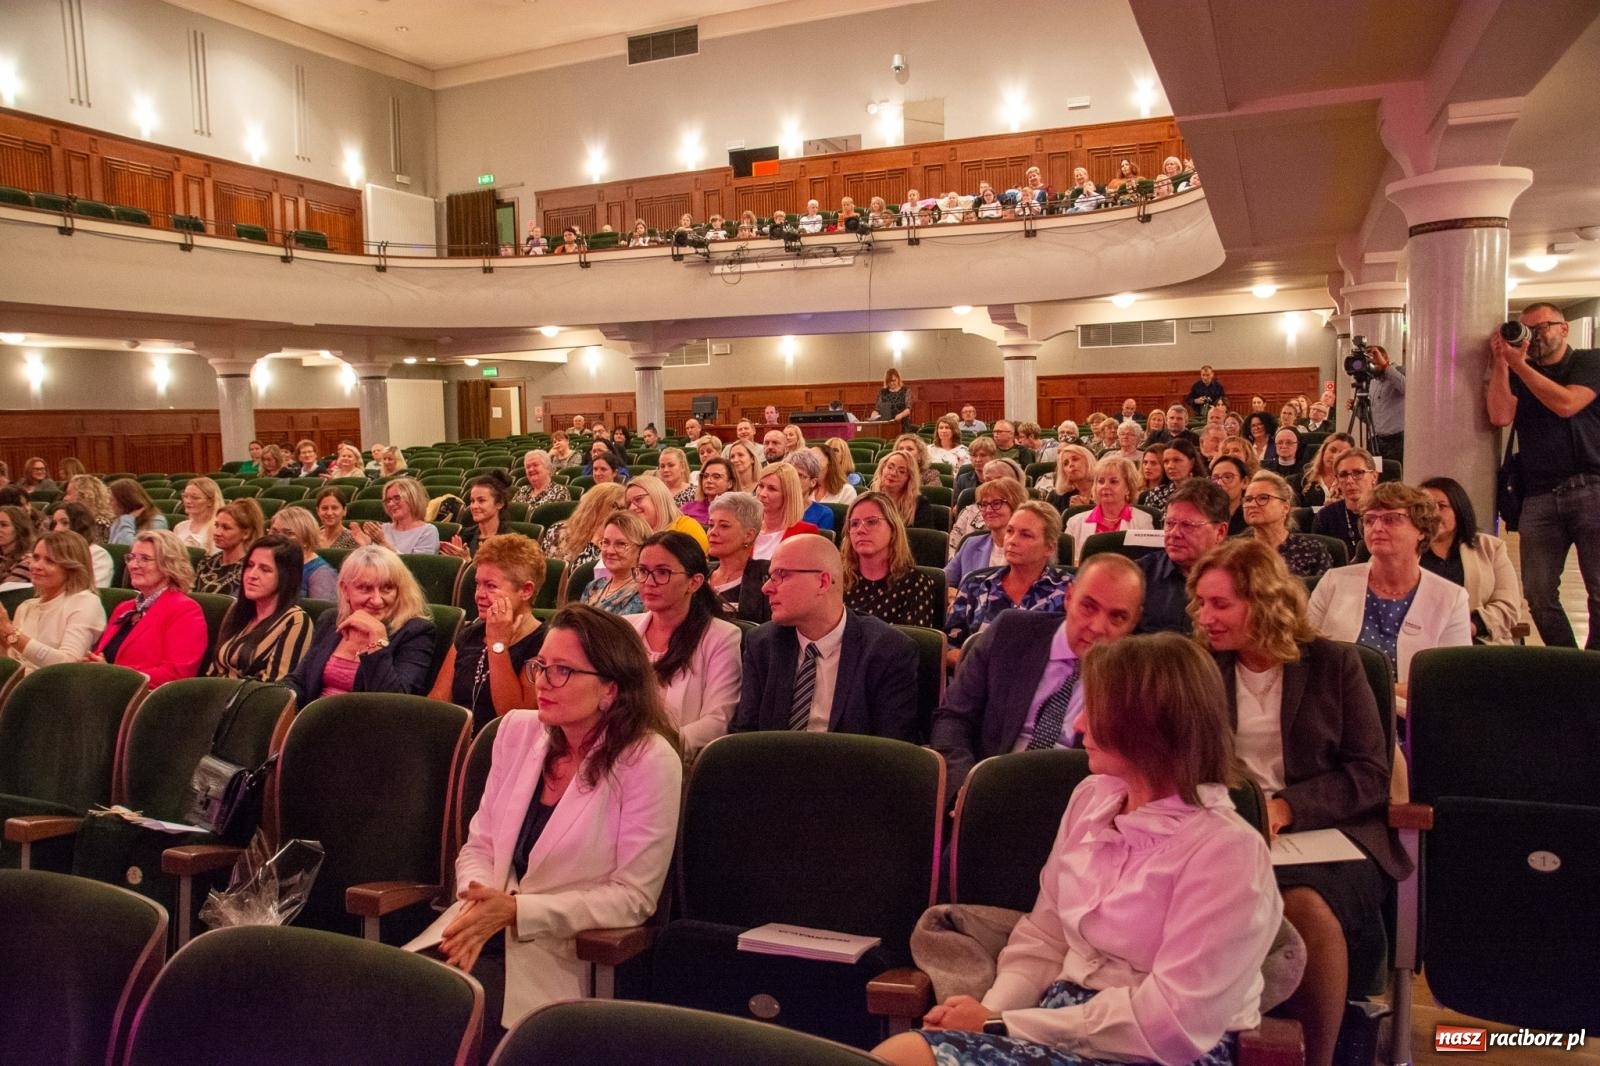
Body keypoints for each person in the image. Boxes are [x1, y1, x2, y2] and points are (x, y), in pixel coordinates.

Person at [879, 631, 1281, 1066]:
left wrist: (1000, 1025)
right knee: (901, 1055)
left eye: (1096, 709)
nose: (1077, 723)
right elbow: (1045, 936)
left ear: (1149, 724)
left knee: (909, 1055)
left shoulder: (1227, 851)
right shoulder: (1092, 798)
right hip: (1057, 1021)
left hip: (1153, 1051)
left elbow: (1170, 1027)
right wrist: (989, 1011)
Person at [414, 605, 682, 1039]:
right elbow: (479, 846)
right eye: (541, 666)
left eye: (562, 671)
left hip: (561, 957)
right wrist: (483, 903)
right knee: (388, 1000)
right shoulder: (517, 731)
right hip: (473, 932)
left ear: (610, 689)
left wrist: (518, 912)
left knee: (443, 1023)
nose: (541, 682)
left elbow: (634, 897)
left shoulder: (648, 760)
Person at [1189, 538, 1408, 1066]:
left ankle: (1319, 1057)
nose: (1205, 617)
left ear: (1263, 602)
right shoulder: (1201, 667)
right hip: (1229, 825)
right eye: (1200, 602)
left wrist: (1286, 808)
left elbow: (1369, 774)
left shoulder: (1337, 665)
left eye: (1220, 604)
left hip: (1329, 833)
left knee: (1304, 905)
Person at [931, 552, 1146, 803]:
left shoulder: (1137, 680)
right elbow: (953, 718)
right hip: (987, 789)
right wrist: (966, 788)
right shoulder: (1010, 633)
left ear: (1134, 621)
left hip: (1074, 808)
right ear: (1068, 596)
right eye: (1088, 606)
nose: (1098, 627)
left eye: (1117, 617)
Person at [1486, 301, 1600, 649]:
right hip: (1539, 494)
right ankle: (1566, 661)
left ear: (1564, 328)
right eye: (1527, 330)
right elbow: (1500, 415)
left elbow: (1567, 404)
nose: (1534, 336)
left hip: (1591, 487)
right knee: (1537, 593)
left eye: (1542, 327)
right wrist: (1502, 365)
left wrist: (1520, 366)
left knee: (1598, 588)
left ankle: (1593, 667)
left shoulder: (1588, 361)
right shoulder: (1521, 370)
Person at [731, 534, 918, 740]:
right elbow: (744, 737)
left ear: (822, 582)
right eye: (770, 577)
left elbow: (890, 752)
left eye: (781, 575)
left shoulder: (888, 650)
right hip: (774, 767)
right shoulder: (762, 644)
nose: (766, 588)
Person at [1307, 482, 1471, 689]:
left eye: (1391, 519)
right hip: (1338, 708)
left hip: (1413, 713)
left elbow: (1453, 677)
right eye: (1369, 520)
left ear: (1421, 529)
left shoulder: (1451, 597)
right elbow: (1306, 655)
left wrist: (1385, 695)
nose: (1377, 528)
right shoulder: (1334, 582)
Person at [624, 530, 741, 754]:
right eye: (643, 571)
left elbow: (718, 721)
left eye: (662, 572)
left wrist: (655, 750)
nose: (649, 582)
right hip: (619, 756)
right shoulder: (624, 629)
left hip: (678, 761)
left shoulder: (721, 637)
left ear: (694, 582)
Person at [283, 545, 436, 703]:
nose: (377, 600)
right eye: (365, 588)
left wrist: (377, 639)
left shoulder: (416, 632)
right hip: (315, 719)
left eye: (387, 588)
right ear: (345, 590)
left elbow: (394, 703)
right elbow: (299, 682)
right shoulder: (331, 620)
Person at [429, 534, 546, 732]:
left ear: (526, 590)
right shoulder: (470, 634)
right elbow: (437, 704)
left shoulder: (545, 642)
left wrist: (497, 644)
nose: (479, 595)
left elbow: (514, 720)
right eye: (477, 584)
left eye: (491, 586)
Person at [946, 502, 1072, 662]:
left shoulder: (1068, 590)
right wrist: (980, 666)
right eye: (1010, 531)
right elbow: (948, 645)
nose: (1012, 540)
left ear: (1049, 548)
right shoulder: (975, 584)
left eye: (1026, 535)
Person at [88, 530, 207, 687]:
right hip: (105, 691)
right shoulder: (124, 607)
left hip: (146, 702)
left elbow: (175, 675)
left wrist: (113, 675)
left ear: (169, 565)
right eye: (131, 557)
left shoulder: (185, 610)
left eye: (144, 559)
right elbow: (101, 656)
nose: (133, 565)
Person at [1416, 477, 1521, 645]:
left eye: (1442, 507)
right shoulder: (1404, 549)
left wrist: (1470, 626)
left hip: (1479, 643)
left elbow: (1508, 605)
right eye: (1425, 507)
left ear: (1459, 510)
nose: (1432, 514)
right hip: (1420, 642)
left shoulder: (1491, 548)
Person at [206, 536, 314, 681]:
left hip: (251, 700)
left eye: (265, 569)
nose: (252, 575)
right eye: (250, 565)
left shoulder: (296, 621)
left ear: (286, 577)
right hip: (217, 696)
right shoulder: (238, 611)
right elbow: (213, 672)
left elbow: (275, 690)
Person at [1135, 478, 1232, 635]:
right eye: (1169, 523)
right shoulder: (1138, 576)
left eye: (1187, 525)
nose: (1174, 534)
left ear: (1220, 532)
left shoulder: (1240, 579)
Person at [0, 531, 106, 675]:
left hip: (55, 692)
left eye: (50, 561)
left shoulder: (86, 602)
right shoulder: (26, 607)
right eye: (36, 557)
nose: (36, 566)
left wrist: (10, 632)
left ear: (71, 567)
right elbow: (12, 666)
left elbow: (67, 664)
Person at [840, 492, 940, 627]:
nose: (860, 530)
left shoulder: (916, 583)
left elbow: (912, 645)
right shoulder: (837, 580)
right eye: (854, 524)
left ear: (893, 529)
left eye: (871, 522)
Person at [1062, 455, 1152, 564]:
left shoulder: (1143, 521)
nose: (1105, 486)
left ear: (1128, 488)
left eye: (1113, 481)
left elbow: (1147, 564)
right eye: (1101, 481)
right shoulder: (1074, 522)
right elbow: (1068, 565)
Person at [1243, 472, 1332, 579]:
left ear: (1285, 507)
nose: (1252, 504)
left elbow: (1324, 593)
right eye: (1248, 500)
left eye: (1263, 498)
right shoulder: (1234, 551)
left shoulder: (1312, 551)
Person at [946, 477, 1027, 592]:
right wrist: (951, 592)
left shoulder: (1030, 548)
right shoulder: (971, 544)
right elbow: (943, 582)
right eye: (983, 504)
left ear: (1016, 506)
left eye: (996, 503)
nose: (988, 510)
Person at [705, 492, 769, 623]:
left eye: (724, 526)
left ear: (749, 535)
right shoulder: (699, 572)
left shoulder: (766, 577)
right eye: (711, 525)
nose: (712, 532)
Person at [542, 482, 624, 575]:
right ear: (596, 507)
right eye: (617, 507)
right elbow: (549, 575)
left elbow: (590, 579)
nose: (622, 514)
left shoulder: (615, 541)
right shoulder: (558, 531)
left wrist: (595, 541)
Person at [1311, 448, 1377, 561]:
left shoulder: (1388, 514)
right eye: (1343, 474)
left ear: (1374, 477)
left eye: (1358, 473)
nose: (1349, 480)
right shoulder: (1325, 517)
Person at [579, 512, 648, 615]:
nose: (610, 551)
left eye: (621, 544)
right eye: (606, 542)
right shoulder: (594, 586)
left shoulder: (644, 592)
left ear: (641, 548)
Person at [349, 476, 440, 555]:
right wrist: (366, 546)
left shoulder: (428, 531)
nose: (391, 504)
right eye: (388, 500)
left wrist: (383, 543)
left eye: (397, 498)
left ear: (413, 498)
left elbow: (415, 568)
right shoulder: (383, 529)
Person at [195, 498, 266, 597]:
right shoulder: (206, 564)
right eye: (217, 526)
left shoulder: (250, 570)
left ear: (246, 533)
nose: (217, 533)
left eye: (226, 528)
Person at [623, 474, 709, 550]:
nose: (632, 508)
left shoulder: (687, 528)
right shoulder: (628, 536)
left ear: (657, 497)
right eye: (628, 504)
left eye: (638, 499)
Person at [443, 471, 513, 559]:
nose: (474, 506)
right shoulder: (465, 535)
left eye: (481, 500)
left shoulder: (511, 542)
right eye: (472, 501)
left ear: (499, 504)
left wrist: (468, 563)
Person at [49, 501, 114, 587]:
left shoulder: (97, 554)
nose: (56, 529)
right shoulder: (49, 553)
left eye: (65, 523)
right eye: (55, 523)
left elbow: (94, 590)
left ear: (80, 525)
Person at [1360, 343, 1406, 460]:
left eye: (1374, 363)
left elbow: (1407, 388)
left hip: (1397, 441)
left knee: (1394, 475)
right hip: (1376, 440)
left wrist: (1384, 366)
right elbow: (1372, 418)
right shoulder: (1373, 381)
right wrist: (1358, 410)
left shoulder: (1400, 372)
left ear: (1385, 358)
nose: (1371, 367)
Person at [871, 451, 934, 531]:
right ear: (882, 469)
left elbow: (922, 539)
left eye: (901, 471)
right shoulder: (870, 499)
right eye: (890, 467)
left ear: (909, 478)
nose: (893, 473)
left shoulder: (920, 504)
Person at [1299, 433, 1355, 508]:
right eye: (1332, 450)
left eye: (1342, 453)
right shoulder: (1301, 480)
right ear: (1323, 451)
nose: (1335, 457)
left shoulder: (1354, 482)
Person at [107, 479, 168, 545]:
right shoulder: (118, 521)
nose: (109, 503)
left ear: (124, 501)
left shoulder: (157, 521)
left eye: (112, 500)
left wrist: (127, 519)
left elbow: (130, 548)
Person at [172, 477, 225, 551]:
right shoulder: (180, 527)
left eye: (195, 498)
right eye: (185, 496)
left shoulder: (217, 529)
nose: (188, 501)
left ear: (210, 501)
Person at [680, 456, 731, 528]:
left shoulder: (738, 511)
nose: (709, 480)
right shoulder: (687, 509)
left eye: (716, 477)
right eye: (705, 476)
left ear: (730, 483)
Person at [1208, 455, 1252, 536]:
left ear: (1245, 482)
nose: (1219, 483)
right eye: (1215, 478)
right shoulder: (1205, 515)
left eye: (1227, 477)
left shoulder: (1250, 517)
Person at [64, 474, 116, 543]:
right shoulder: (75, 521)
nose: (64, 498)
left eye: (69, 493)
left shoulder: (99, 524)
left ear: (83, 496)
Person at [1043, 444, 1096, 511]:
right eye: (1065, 463)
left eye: (1075, 459)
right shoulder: (1056, 497)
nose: (1071, 464)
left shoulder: (1105, 489)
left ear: (1088, 461)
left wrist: (1084, 509)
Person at [0, 505, 36, 585]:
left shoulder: (27, 562)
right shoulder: (3, 557)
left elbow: (6, 592)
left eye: (4, 525)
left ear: (19, 528)